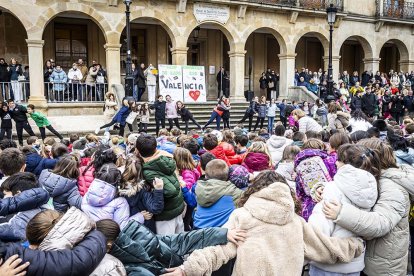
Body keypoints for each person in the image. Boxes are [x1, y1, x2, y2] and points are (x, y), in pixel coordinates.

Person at [164, 171, 364, 276]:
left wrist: (187, 269)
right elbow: (327, 248)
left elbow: (219, 249)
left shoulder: (241, 215)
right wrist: (356, 245)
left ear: (256, 189)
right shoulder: (296, 222)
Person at [323, 138, 414, 275]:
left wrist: (342, 213)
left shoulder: (392, 188)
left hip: (383, 268)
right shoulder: (372, 179)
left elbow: (380, 223)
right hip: (369, 260)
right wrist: (321, 190)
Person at [308, 144, 380, 276]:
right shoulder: (371, 188)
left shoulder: (333, 189)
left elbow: (319, 228)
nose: (336, 162)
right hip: (353, 263)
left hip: (327, 263)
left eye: (339, 159)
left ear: (346, 164)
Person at [136, 134, 185, 234]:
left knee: (167, 244)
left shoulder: (148, 171)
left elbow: (170, 190)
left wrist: (157, 189)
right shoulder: (165, 158)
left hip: (166, 215)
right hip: (177, 207)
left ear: (137, 149)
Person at [82, 163, 144, 228]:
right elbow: (121, 227)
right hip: (108, 235)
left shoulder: (87, 195)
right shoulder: (120, 202)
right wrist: (140, 217)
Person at [193, 159, 243, 229]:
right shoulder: (234, 192)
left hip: (197, 229)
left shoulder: (198, 187)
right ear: (228, 176)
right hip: (219, 233)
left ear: (205, 176)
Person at [0, 172, 49, 242]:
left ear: (18, 194)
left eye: (5, 194)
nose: (4, 198)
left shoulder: (21, 218)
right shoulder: (37, 206)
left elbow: (6, 227)